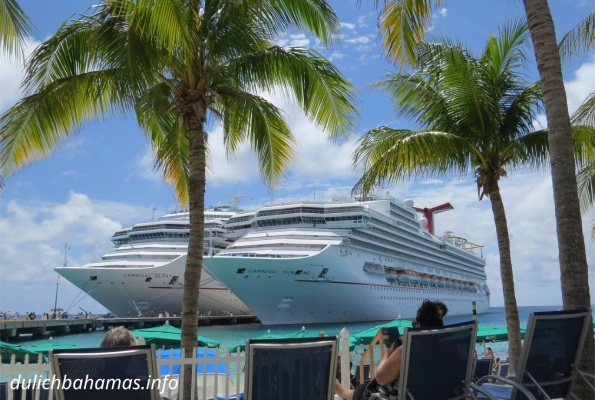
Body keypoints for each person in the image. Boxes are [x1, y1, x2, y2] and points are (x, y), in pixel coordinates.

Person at [335, 300, 449, 400]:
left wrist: (387, 354)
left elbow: (380, 378)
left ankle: (340, 391)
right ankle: (342, 391)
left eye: (414, 324)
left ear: (419, 326)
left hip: (405, 396)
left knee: (365, 390)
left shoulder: (406, 350)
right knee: (364, 388)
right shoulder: (449, 347)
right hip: (441, 395)